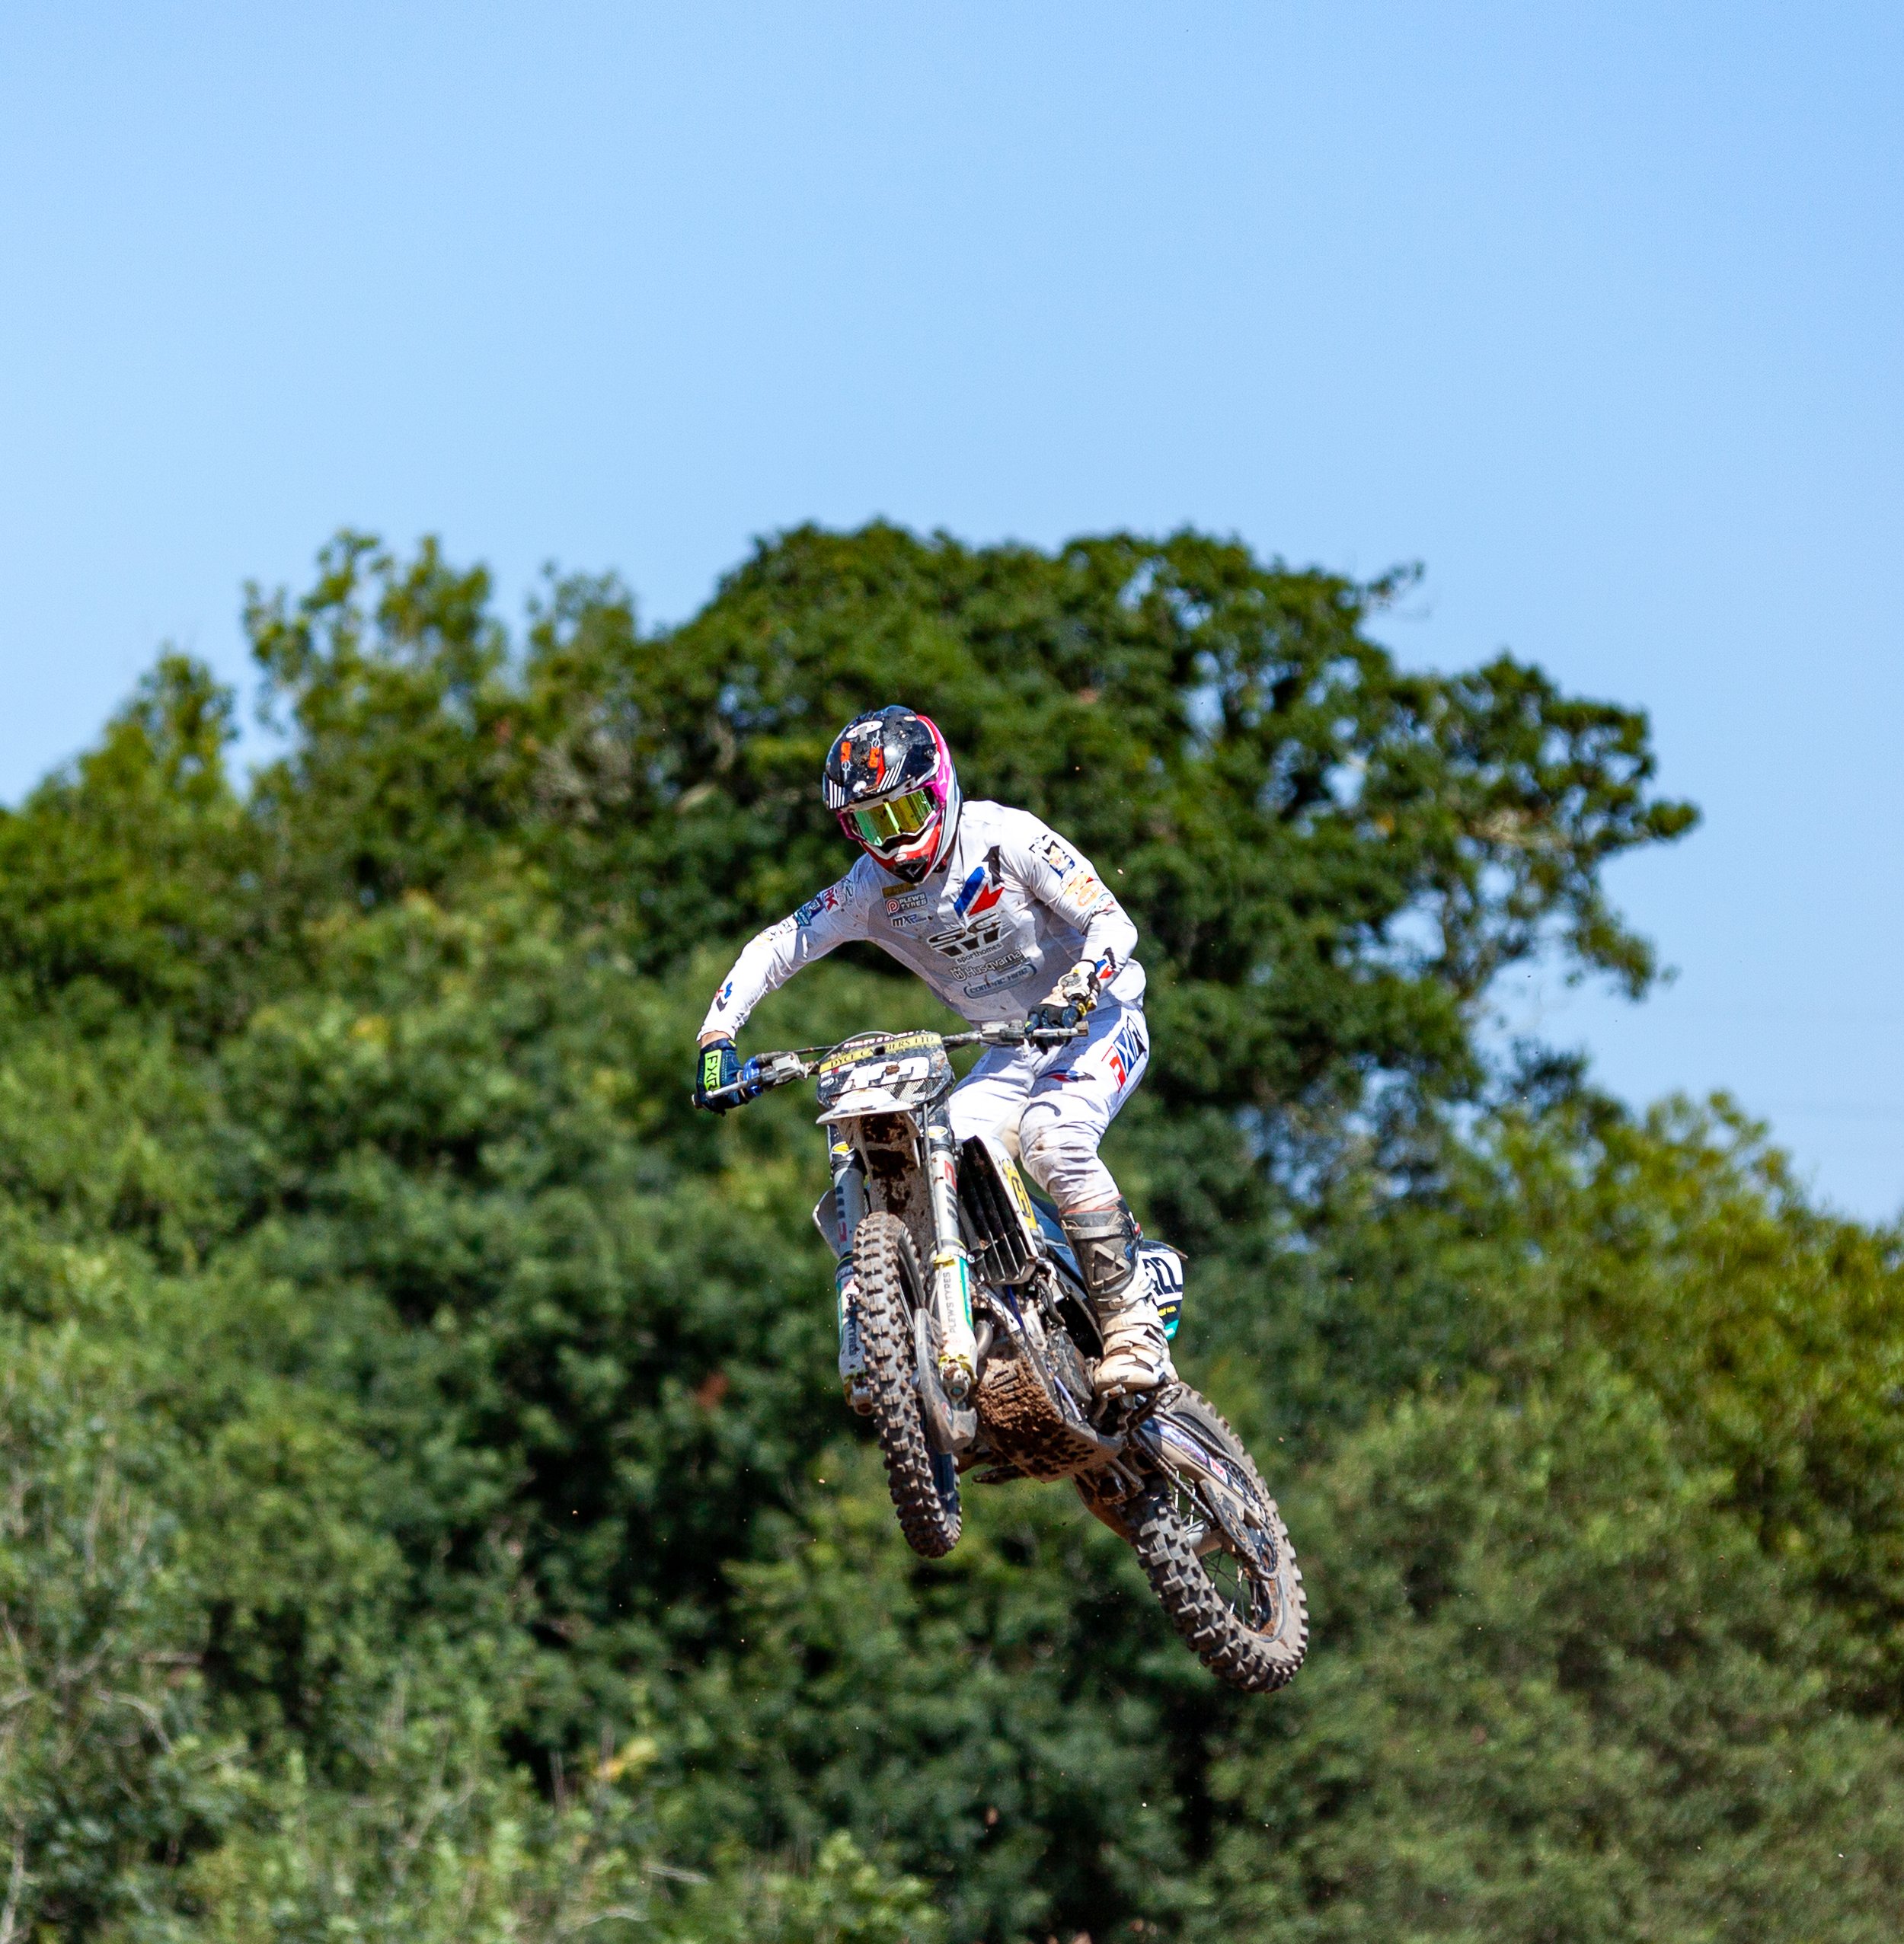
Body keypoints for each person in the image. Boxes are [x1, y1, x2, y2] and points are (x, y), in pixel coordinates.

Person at [692, 704, 1169, 1396]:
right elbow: (776, 946)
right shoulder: (867, 888)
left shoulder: (1006, 838)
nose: (899, 837)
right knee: (934, 1153)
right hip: (1006, 1048)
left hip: (1097, 1017)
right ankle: (1001, 1313)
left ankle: (1134, 1324)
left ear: (942, 785)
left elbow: (1110, 921)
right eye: (876, 823)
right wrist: (716, 1037)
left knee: (1050, 1134)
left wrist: (1078, 988)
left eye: (909, 809)